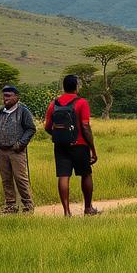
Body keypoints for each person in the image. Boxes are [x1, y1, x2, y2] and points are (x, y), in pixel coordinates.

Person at [44, 74, 100, 217]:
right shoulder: (81, 102)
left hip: (60, 146)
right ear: (76, 86)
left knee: (63, 176)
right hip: (80, 144)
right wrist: (92, 148)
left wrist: (59, 136)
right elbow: (85, 126)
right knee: (86, 174)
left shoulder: (54, 103)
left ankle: (67, 212)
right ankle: (88, 208)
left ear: (64, 86)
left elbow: (47, 126)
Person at [0, 85, 36, 214]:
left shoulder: (23, 111)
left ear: (16, 97)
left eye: (8, 96)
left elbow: (31, 129)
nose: (5, 99)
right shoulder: (0, 111)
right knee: (6, 178)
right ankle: (10, 205)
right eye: (4, 96)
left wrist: (21, 143)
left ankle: (28, 205)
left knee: (20, 178)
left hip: (16, 151)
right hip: (1, 150)